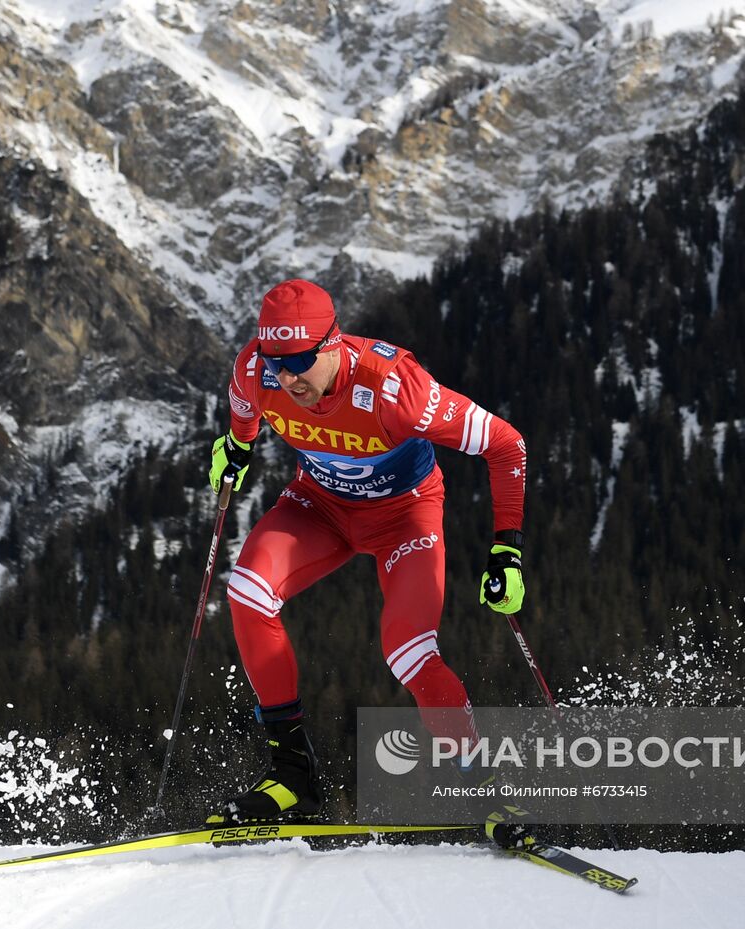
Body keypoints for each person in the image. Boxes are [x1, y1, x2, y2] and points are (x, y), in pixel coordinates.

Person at [205, 279, 528, 839]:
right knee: (248, 590)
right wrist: (236, 446)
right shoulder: (256, 371)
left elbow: (506, 444)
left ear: (333, 343)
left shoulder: (393, 388)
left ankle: (488, 793)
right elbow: (244, 410)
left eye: (302, 360)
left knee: (408, 651)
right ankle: (292, 777)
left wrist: (507, 550)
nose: (288, 377)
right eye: (275, 361)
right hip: (321, 507)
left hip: (404, 516)